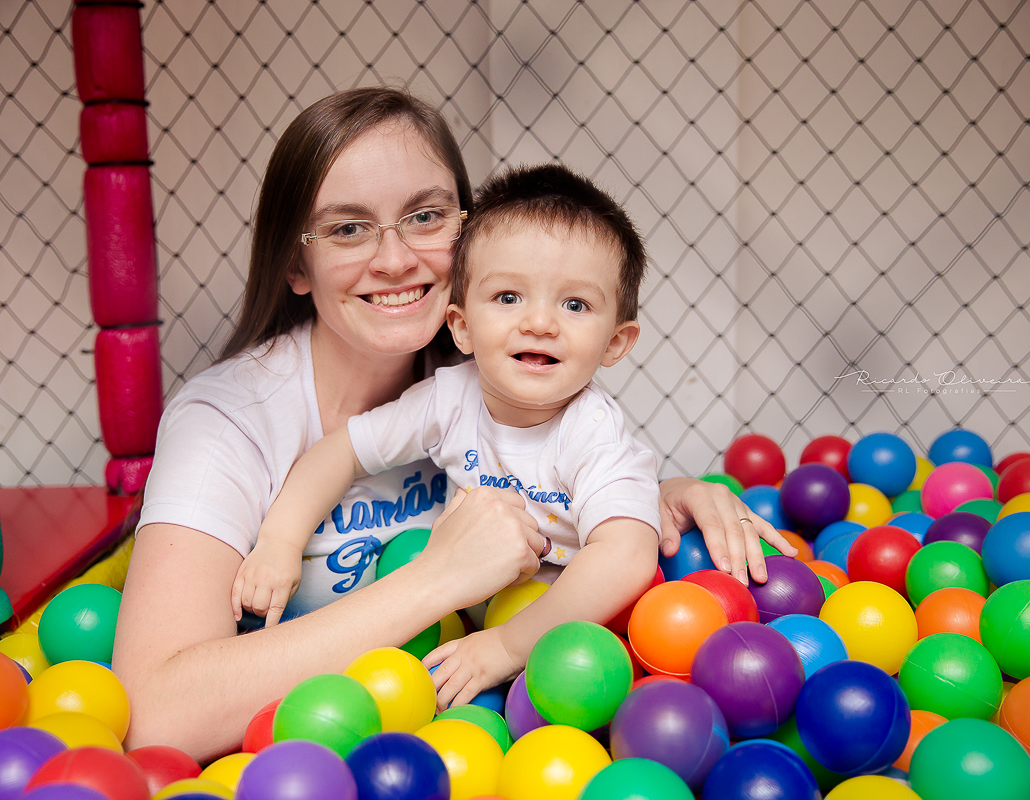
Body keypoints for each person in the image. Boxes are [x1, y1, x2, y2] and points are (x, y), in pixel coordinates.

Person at [113, 86, 795, 762]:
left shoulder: (496, 365)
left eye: (426, 216)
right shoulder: (229, 420)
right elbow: (155, 717)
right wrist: (438, 578)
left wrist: (661, 495)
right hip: (325, 747)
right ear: (296, 261)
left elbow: (566, 471)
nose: (395, 259)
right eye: (349, 228)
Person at [232, 162, 665, 708]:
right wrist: (279, 543)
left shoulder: (593, 434)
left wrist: (506, 646)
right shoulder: (449, 399)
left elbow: (625, 558)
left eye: (574, 304)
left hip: (570, 645)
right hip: (468, 629)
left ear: (615, 343)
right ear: (461, 327)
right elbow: (342, 452)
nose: (539, 323)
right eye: (508, 297)